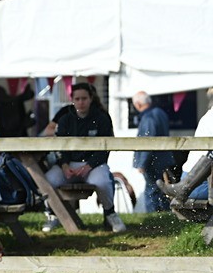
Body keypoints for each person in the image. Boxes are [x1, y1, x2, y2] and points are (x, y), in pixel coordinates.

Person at [42, 82, 125, 233]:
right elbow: (59, 147)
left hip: (93, 165)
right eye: (77, 98)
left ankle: (110, 213)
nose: (81, 102)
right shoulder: (65, 118)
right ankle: (52, 215)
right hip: (68, 165)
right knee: (47, 180)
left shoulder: (102, 118)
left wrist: (89, 166)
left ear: (91, 98)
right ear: (72, 99)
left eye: (84, 98)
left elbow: (105, 148)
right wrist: (65, 165)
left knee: (102, 180)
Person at [158, 87, 213, 205]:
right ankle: (184, 188)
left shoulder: (209, 116)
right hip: (201, 186)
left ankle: (183, 188)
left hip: (195, 183)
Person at [131, 91, 173, 212]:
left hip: (152, 160)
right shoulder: (160, 113)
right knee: (162, 189)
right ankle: (165, 215)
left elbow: (147, 142)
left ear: (138, 104)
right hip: (163, 158)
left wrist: (142, 163)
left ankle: (152, 218)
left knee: (151, 190)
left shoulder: (148, 117)